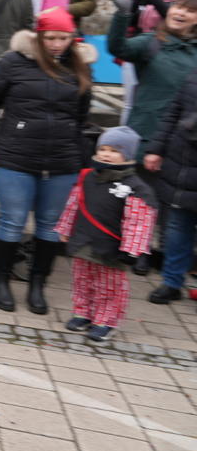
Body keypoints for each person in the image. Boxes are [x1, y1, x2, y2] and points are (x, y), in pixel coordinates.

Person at [0, 8, 94, 314]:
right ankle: (0, 281)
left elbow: (81, 117)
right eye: (51, 38)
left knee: (50, 227)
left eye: (64, 38)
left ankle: (37, 284)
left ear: (72, 38)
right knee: (12, 221)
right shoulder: (12, 63)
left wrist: (77, 152)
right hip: (14, 157)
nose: (57, 44)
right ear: (39, 36)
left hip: (61, 161)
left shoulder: (79, 69)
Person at [54, 127, 157, 343]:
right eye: (103, 148)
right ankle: (83, 312)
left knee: (109, 286)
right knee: (82, 280)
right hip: (84, 240)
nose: (106, 154)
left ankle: (106, 321)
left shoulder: (135, 188)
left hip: (111, 246)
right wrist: (65, 229)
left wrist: (131, 249)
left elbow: (138, 221)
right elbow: (74, 205)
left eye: (114, 150)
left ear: (127, 155)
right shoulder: (88, 177)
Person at [107, 0, 197, 159]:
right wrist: (122, 15)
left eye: (190, 11)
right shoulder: (151, 41)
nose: (180, 12)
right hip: (146, 134)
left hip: (184, 140)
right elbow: (118, 48)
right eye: (177, 7)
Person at [143, 70, 197, 305]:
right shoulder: (193, 76)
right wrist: (156, 148)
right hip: (182, 164)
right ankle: (172, 283)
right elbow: (173, 113)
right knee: (177, 228)